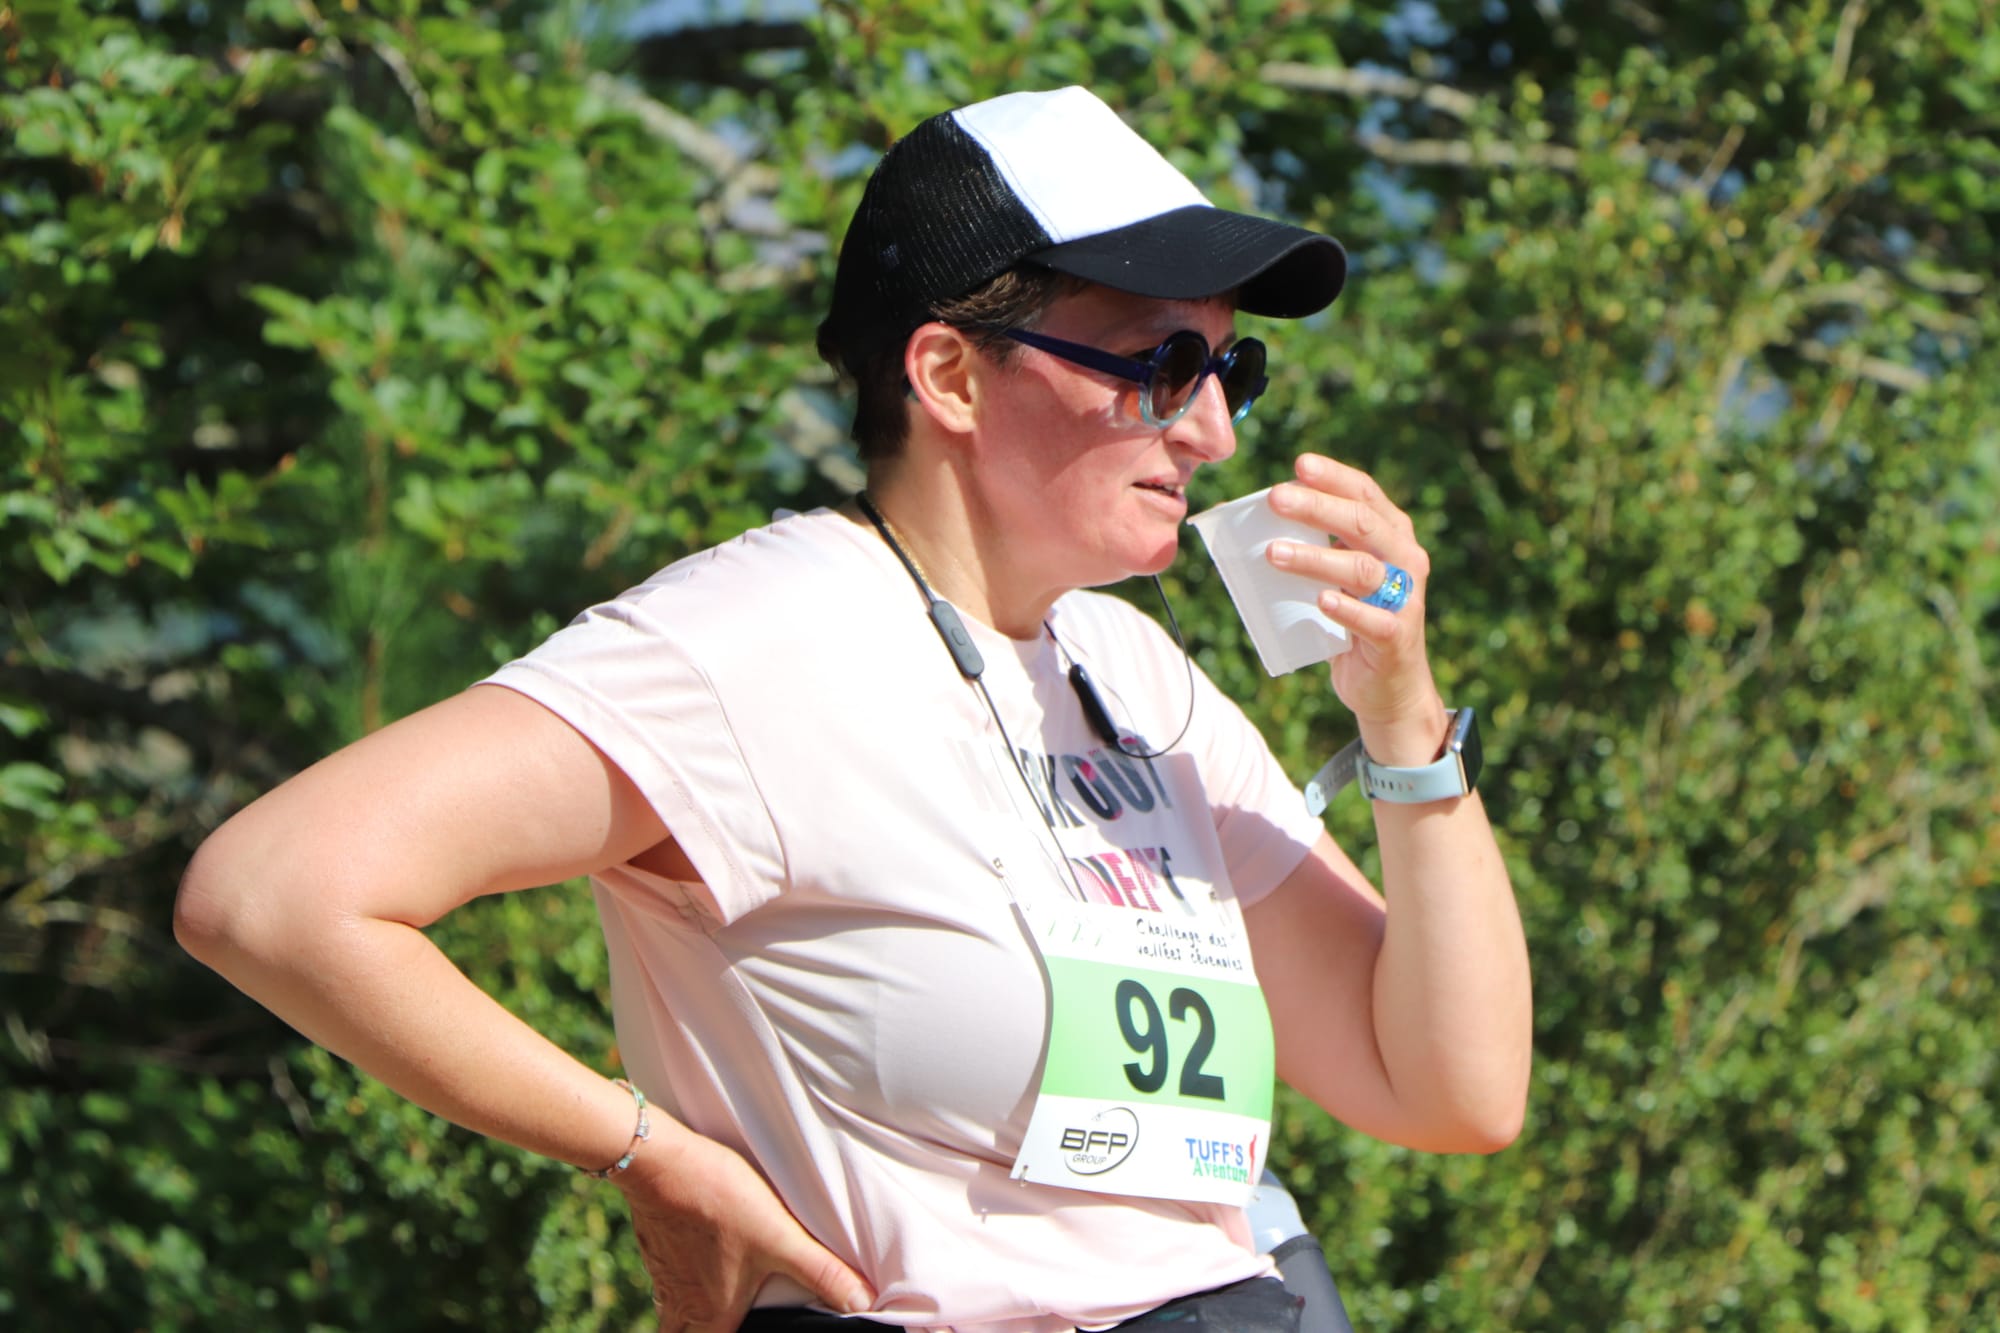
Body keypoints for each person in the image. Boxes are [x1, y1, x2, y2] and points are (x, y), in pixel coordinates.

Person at [175, 86, 1531, 1332]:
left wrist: (1404, 722)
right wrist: (649, 1153)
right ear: (948, 375)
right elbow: (275, 892)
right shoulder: (759, 637)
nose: (1212, 431)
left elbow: (1452, 1089)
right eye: (1160, 360)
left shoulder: (1132, 672)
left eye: (1232, 371)